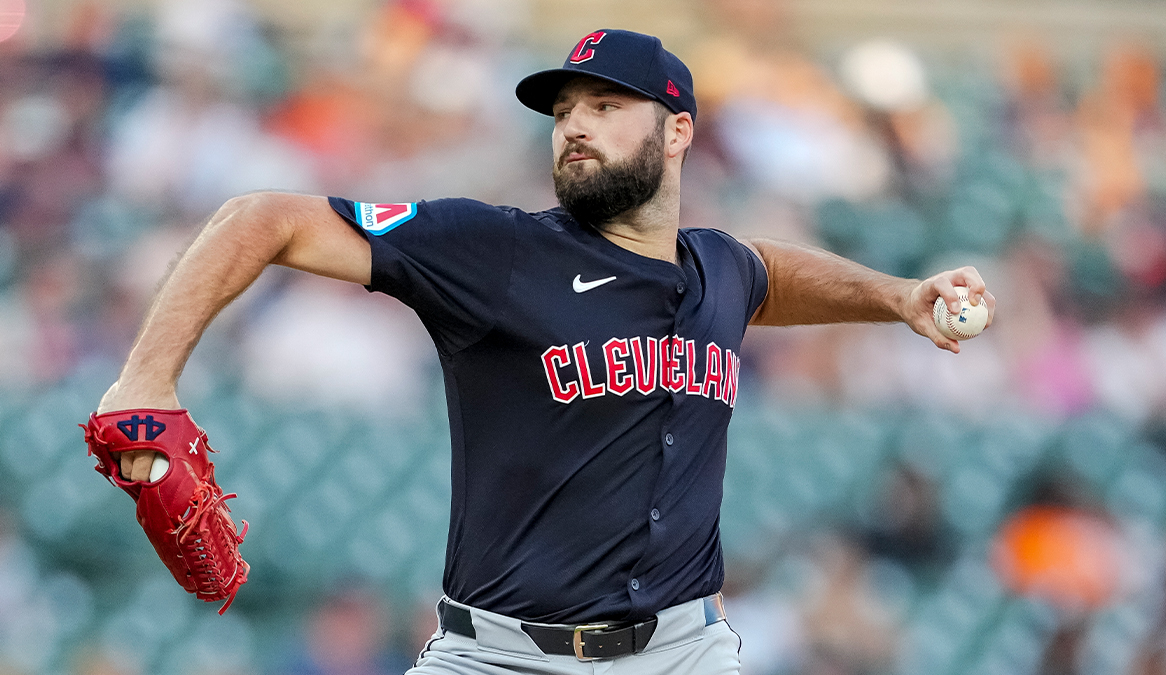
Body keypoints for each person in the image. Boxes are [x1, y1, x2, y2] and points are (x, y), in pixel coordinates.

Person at [98, 29, 995, 675]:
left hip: (685, 652)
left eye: (606, 106)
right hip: (499, 656)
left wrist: (898, 298)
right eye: (565, 110)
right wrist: (148, 374)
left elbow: (768, 272)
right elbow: (264, 218)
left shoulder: (717, 267)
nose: (574, 125)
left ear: (678, 130)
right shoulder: (496, 251)